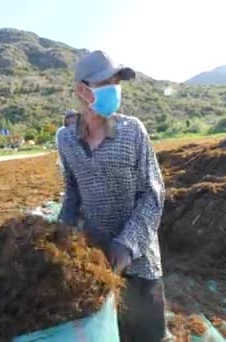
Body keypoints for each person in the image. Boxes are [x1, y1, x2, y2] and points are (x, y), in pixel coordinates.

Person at [56, 50, 168, 342]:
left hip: (141, 263)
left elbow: (153, 195)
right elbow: (72, 197)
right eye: (106, 82)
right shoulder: (65, 139)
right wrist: (61, 240)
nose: (114, 89)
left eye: (117, 81)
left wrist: (126, 245)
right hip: (97, 262)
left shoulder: (133, 132)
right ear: (82, 90)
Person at [55, 109, 79, 174]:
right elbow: (61, 149)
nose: (75, 118)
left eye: (76, 116)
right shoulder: (62, 132)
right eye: (72, 117)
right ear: (67, 119)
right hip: (68, 161)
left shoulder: (81, 130)